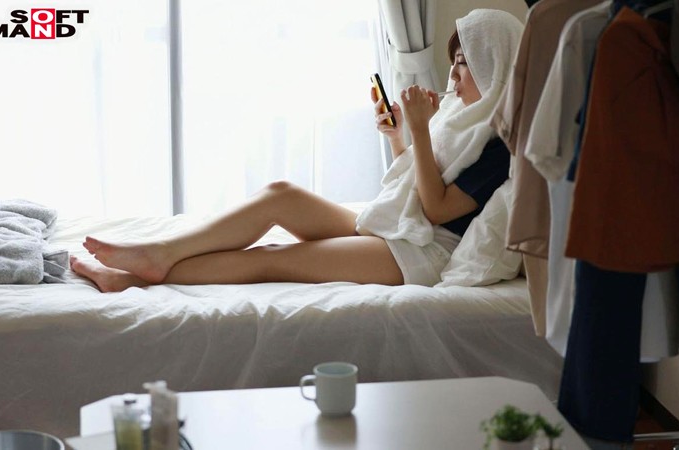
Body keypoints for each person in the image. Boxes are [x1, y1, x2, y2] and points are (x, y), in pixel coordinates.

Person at [70, 9, 524, 292]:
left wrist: (421, 133)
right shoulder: (458, 117)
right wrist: (399, 138)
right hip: (404, 227)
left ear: (494, 64)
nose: (453, 75)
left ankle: (131, 278)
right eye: (454, 63)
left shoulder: (501, 142)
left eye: (464, 64)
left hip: (425, 251)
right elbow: (417, 183)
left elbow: (437, 209)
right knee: (280, 194)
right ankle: (162, 251)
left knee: (272, 257)